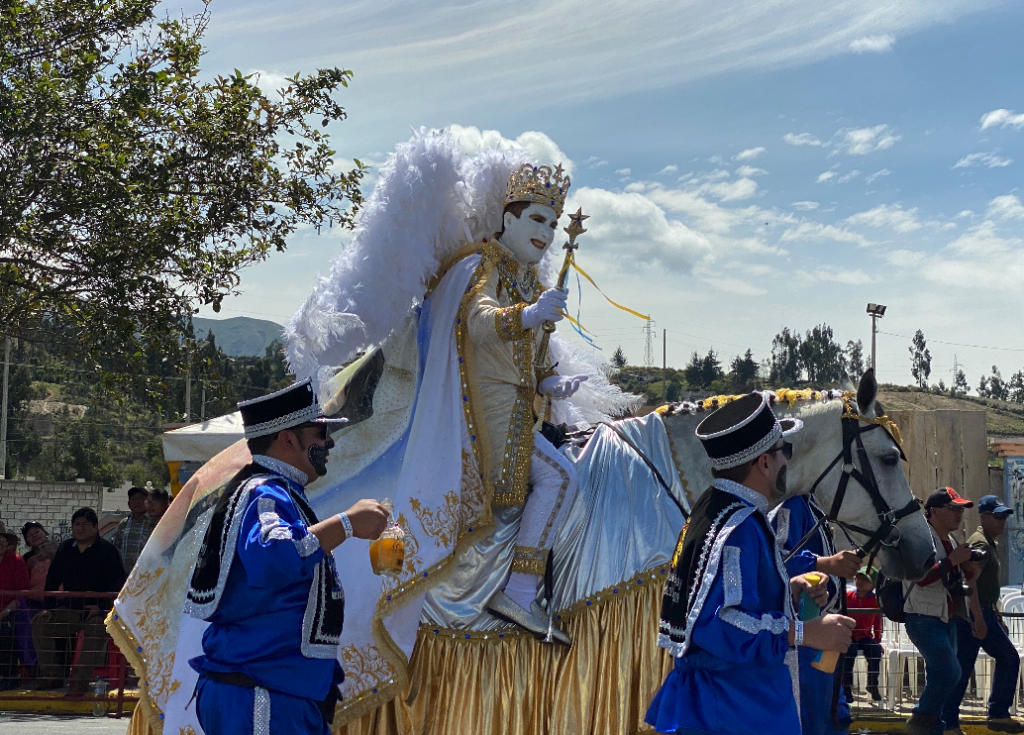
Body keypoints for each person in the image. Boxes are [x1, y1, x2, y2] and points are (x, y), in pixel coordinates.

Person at [184, 379, 389, 735]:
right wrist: (347, 523)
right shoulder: (265, 492)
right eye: (320, 433)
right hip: (263, 693)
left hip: (273, 690)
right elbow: (275, 558)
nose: (329, 442)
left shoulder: (274, 491)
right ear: (288, 439)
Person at [646, 391, 855, 735]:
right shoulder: (739, 527)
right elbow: (721, 625)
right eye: (784, 452)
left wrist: (788, 589)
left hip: (724, 704)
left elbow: (717, 601)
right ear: (764, 462)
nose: (788, 461)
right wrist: (805, 632)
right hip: (734, 709)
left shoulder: (715, 510)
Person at [772, 492, 862, 735]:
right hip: (803, 641)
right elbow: (775, 557)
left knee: (830, 715)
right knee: (812, 718)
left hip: (819, 636)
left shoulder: (812, 505)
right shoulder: (790, 503)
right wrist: (822, 564)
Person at [902, 488, 981, 735]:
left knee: (941, 677)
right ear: (934, 512)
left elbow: (956, 582)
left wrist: (968, 568)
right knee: (950, 672)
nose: (959, 514)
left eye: (961, 509)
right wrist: (952, 561)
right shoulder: (920, 538)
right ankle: (920, 717)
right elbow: (920, 577)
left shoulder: (952, 541)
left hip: (946, 617)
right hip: (923, 616)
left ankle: (933, 728)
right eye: (953, 508)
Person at [942, 495, 1024, 734]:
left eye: (1005, 516)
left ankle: (996, 714)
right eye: (997, 516)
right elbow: (970, 582)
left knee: (999, 660)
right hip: (971, 616)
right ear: (984, 517)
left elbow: (984, 584)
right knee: (964, 669)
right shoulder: (981, 544)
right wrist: (978, 617)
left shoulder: (987, 542)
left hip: (984, 611)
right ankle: (952, 723)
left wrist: (994, 613)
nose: (1002, 521)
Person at [31, 507, 127, 695]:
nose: (80, 528)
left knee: (95, 629)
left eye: (85, 524)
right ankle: (52, 676)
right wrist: (49, 608)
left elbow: (118, 585)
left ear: (95, 527)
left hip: (98, 611)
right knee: (40, 623)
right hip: (70, 609)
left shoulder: (109, 551)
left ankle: (79, 682)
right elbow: (53, 579)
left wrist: (100, 608)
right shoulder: (65, 548)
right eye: (77, 524)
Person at [844, 567, 883, 703]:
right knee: (849, 653)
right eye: (858, 578)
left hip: (865, 636)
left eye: (865, 580)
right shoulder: (847, 597)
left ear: (873, 585)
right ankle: (846, 688)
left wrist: (878, 640)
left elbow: (878, 621)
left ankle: (872, 684)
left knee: (875, 651)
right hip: (849, 635)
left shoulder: (875, 600)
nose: (860, 582)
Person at [0, 522, 31, 690]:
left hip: (11, 610)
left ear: (6, 542)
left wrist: (5, 611)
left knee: (5, 629)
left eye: (1, 539)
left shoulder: (16, 561)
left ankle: (8, 676)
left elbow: (23, 592)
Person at [111, 487, 156, 573]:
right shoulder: (124, 524)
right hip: (125, 576)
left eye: (141, 498)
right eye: (134, 499)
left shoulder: (154, 522)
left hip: (146, 575)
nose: (137, 502)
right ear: (129, 504)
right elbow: (116, 548)